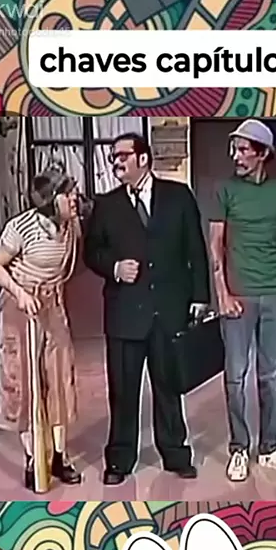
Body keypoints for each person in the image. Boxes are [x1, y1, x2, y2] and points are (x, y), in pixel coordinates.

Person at [83, 132, 210, 486]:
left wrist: (200, 297)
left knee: (168, 387)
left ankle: (176, 454)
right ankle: (120, 459)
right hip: (125, 314)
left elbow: (196, 249)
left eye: (122, 155)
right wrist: (114, 267)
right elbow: (91, 252)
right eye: (113, 157)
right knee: (123, 391)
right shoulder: (107, 204)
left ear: (143, 158)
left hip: (168, 310)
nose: (116, 162)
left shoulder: (178, 196)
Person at [209, 119, 276, 483]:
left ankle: (270, 449)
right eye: (235, 149)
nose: (237, 156)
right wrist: (222, 293)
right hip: (238, 296)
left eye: (244, 149)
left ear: (263, 154)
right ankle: (239, 448)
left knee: (271, 375)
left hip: (273, 294)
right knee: (235, 376)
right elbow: (215, 244)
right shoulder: (225, 190)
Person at [0, 166, 83, 492]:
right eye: (68, 193)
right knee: (25, 382)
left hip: (51, 303)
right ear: (51, 200)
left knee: (59, 377)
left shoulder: (70, 226)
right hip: (20, 307)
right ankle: (33, 457)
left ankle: (59, 456)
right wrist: (20, 293)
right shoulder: (21, 227)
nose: (74, 198)